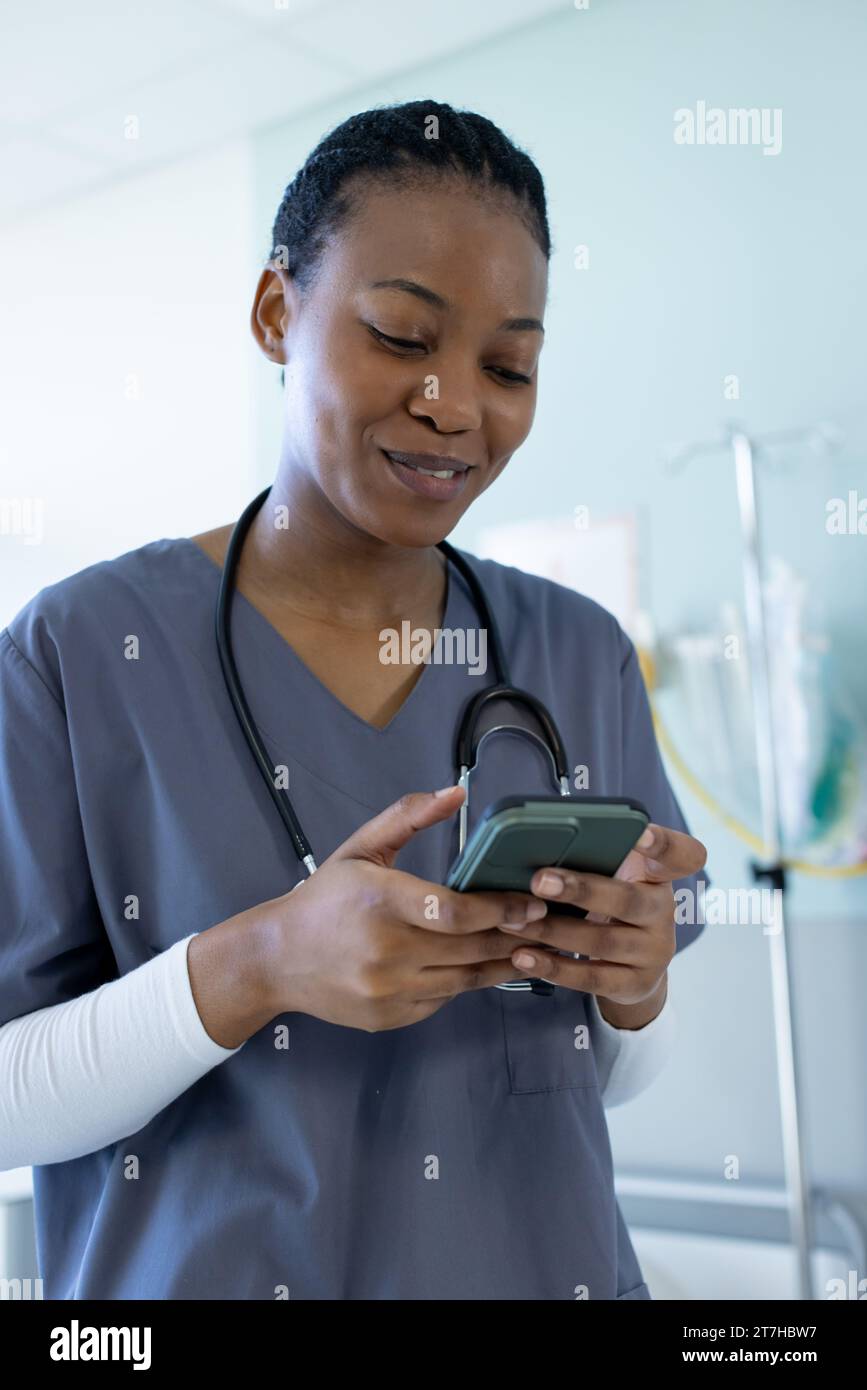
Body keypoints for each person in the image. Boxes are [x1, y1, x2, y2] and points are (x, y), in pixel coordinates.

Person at [0, 100, 708, 1300]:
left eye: (508, 366)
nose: (455, 406)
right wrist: (258, 963)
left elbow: (607, 1072)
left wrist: (635, 984)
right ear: (278, 313)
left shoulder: (575, 651)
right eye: (399, 336)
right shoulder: (79, 652)